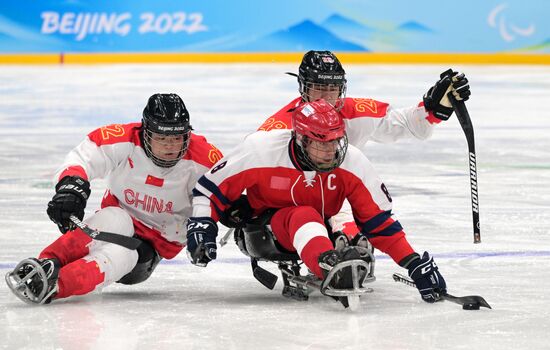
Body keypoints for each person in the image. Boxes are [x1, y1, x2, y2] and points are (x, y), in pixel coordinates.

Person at [186, 99, 446, 306]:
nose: (330, 151)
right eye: (321, 143)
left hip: (321, 223)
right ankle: (328, 264)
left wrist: (413, 263)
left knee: (343, 226)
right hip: (262, 232)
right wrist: (202, 226)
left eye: (335, 141)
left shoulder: (352, 162)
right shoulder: (260, 150)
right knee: (304, 215)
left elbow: (379, 222)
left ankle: (337, 249)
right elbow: (210, 188)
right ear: (301, 139)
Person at [5, 93, 222, 304]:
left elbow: (226, 193)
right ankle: (46, 263)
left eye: (176, 137)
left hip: (151, 248)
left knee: (122, 255)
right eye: (162, 137)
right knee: (114, 217)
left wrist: (224, 219)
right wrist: (70, 189)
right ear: (145, 132)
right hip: (115, 221)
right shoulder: (124, 138)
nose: (170, 145)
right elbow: (83, 158)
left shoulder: (206, 159)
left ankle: (56, 286)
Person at [258, 50, 471, 244]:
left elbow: (406, 123)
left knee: (354, 208)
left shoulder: (355, 111)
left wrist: (434, 108)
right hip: (294, 201)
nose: (327, 97)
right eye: (319, 88)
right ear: (303, 88)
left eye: (333, 89)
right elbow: (252, 165)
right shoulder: (280, 127)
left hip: (337, 197)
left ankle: (348, 239)